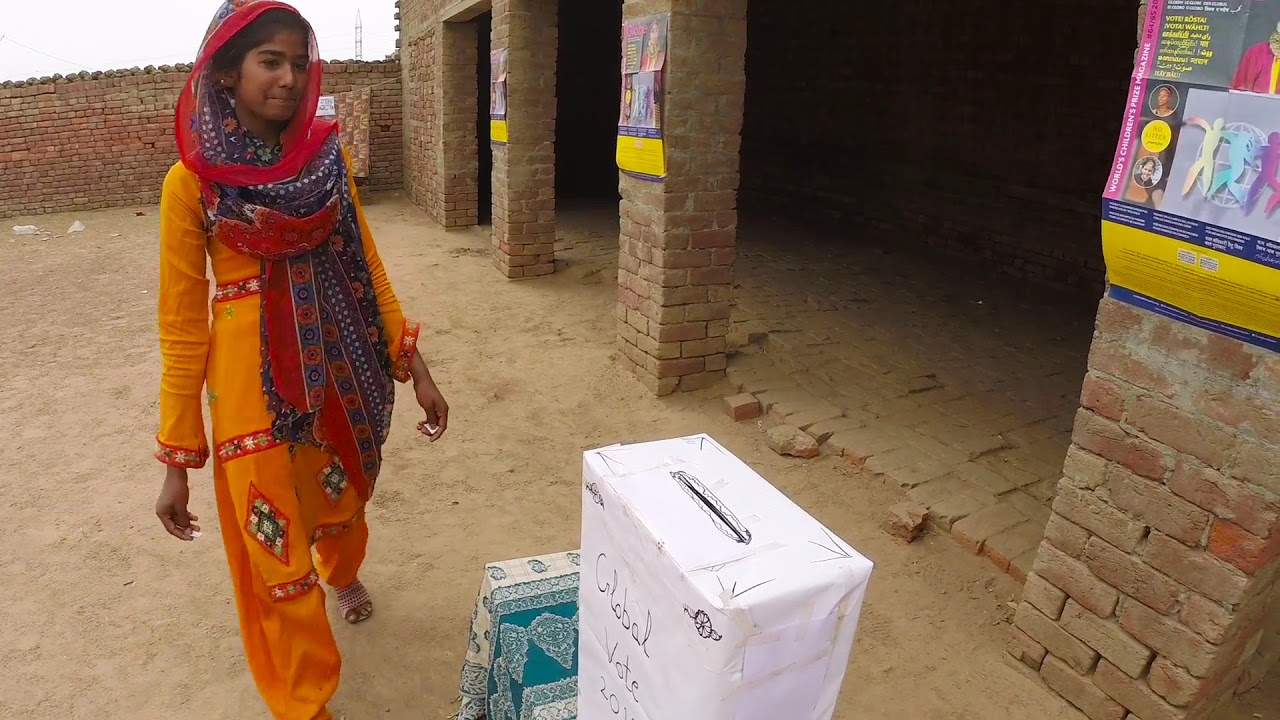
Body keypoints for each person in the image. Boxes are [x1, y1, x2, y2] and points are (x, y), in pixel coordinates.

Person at [152, 2, 449, 718]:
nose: (288, 78)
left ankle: (342, 572)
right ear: (226, 72)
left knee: (340, 504)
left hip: (337, 366)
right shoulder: (190, 184)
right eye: (269, 62)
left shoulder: (325, 160)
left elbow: (365, 262)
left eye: (296, 62)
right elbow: (183, 325)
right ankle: (306, 703)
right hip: (248, 395)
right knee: (273, 548)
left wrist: (414, 361)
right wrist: (176, 461)